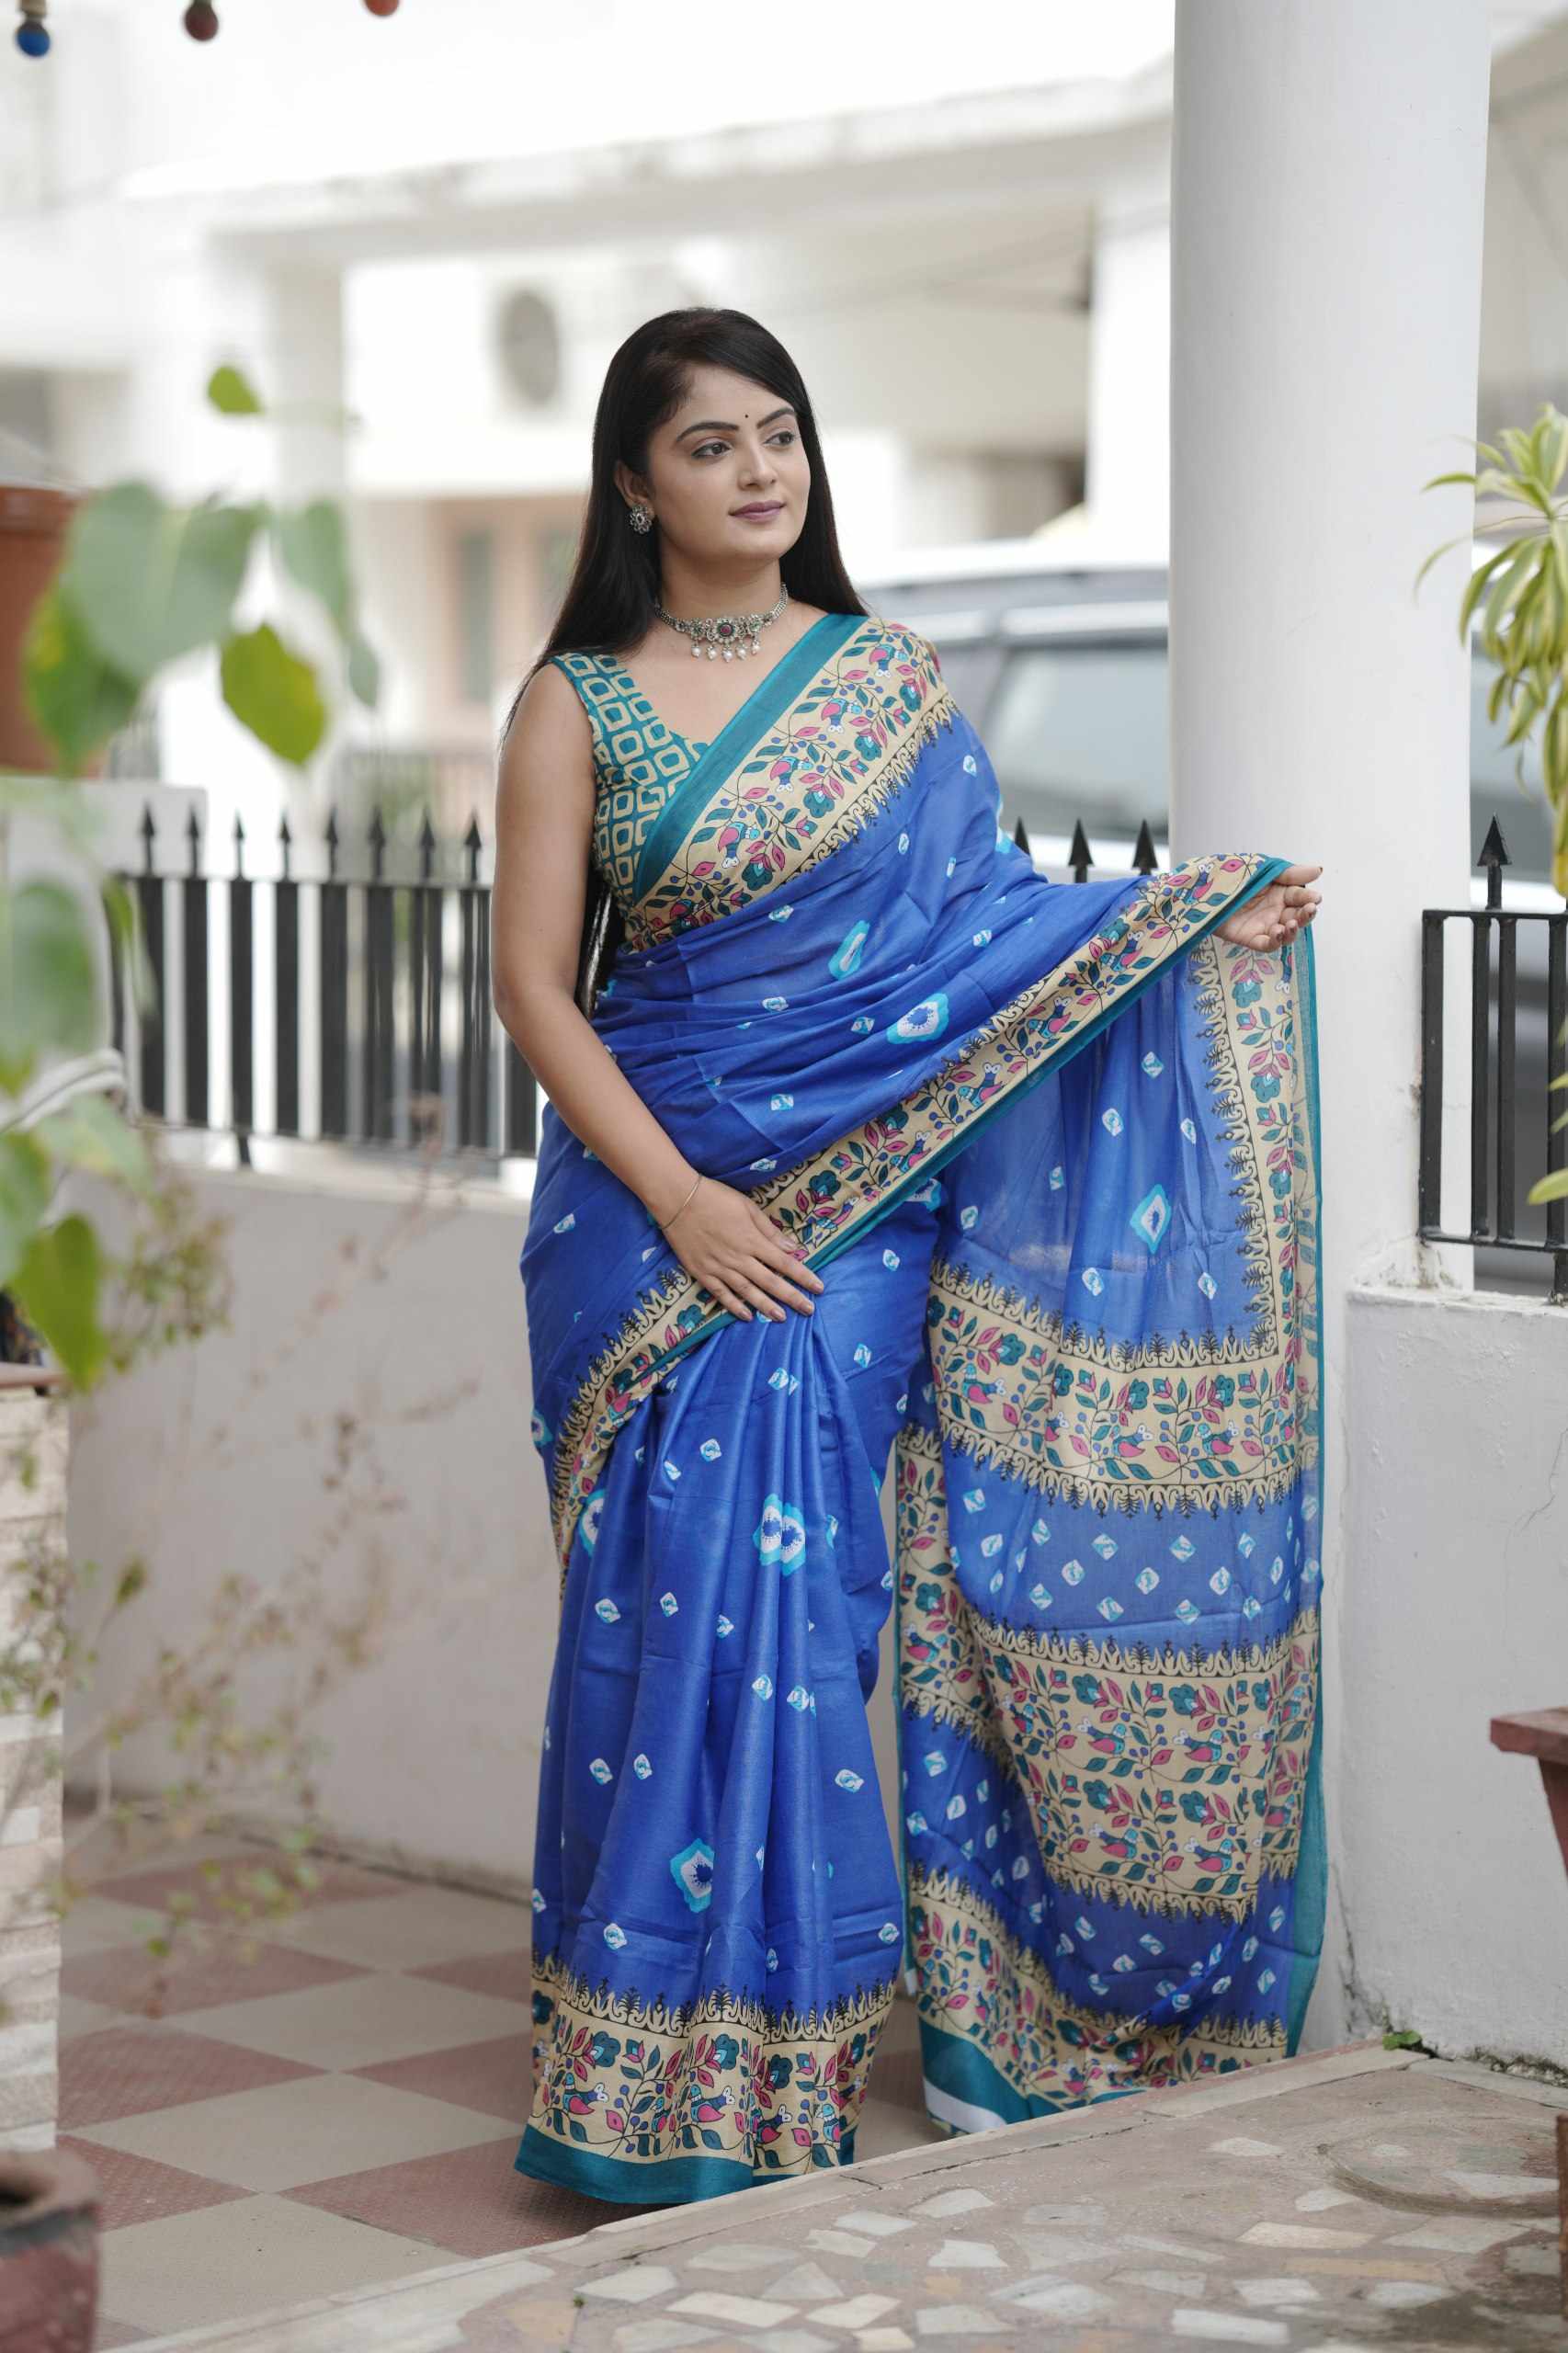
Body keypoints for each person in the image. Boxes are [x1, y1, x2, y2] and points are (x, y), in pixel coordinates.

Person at [492, 306, 1325, 2210]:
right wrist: (686, 1202)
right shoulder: (577, 706)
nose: (758, 470)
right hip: (651, 1214)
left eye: (778, 432)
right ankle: (643, 2064)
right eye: (711, 443)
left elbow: (978, 932)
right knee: (671, 1604)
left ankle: (774, 2057)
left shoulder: (885, 681)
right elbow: (536, 990)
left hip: (857, 1211)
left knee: (802, 1602)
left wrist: (1175, 925)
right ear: (636, 484)